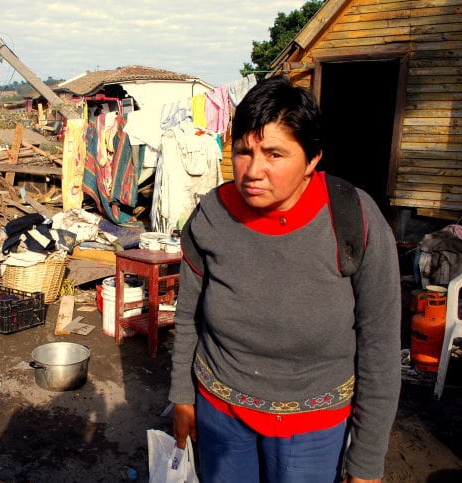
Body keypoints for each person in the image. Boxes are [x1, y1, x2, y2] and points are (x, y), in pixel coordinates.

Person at [169, 76, 400, 483]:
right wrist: (182, 396)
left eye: (275, 154)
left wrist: (367, 458)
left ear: (312, 160)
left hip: (313, 427)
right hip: (221, 415)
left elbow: (380, 342)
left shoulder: (353, 218)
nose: (253, 171)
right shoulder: (211, 215)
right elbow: (188, 315)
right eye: (243, 151)